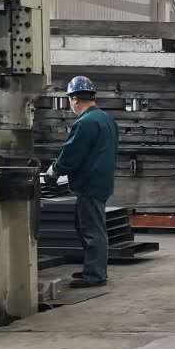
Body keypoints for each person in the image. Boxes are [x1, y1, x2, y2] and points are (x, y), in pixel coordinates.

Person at [45, 75, 119, 287]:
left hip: (89, 184)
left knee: (92, 231)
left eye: (70, 100)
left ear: (75, 99)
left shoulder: (85, 123)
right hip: (100, 182)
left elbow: (72, 153)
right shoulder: (106, 119)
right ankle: (92, 269)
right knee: (88, 227)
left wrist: (54, 171)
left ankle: (95, 275)